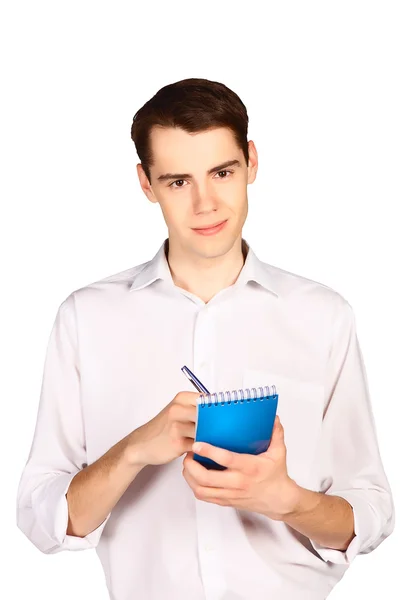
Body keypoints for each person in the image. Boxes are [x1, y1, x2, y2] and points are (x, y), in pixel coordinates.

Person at [16, 78, 394, 600]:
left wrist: (285, 499)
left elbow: (370, 515)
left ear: (252, 163)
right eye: (177, 181)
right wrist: (133, 451)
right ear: (146, 184)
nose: (205, 203)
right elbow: (44, 520)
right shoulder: (86, 318)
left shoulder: (323, 316)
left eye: (222, 172)